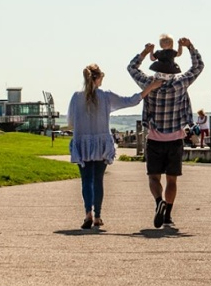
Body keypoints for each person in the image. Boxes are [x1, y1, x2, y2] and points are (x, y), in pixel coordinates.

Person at [67, 64, 161, 230]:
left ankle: (87, 213)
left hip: (83, 143)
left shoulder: (76, 97)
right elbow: (130, 101)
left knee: (86, 180)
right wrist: (150, 88)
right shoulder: (105, 96)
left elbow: (70, 122)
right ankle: (97, 217)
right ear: (98, 78)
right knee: (98, 181)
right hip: (101, 143)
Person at [129, 37, 204, 228]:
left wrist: (145, 52)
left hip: (154, 138)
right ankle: (168, 214)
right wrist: (190, 47)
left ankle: (158, 202)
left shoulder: (149, 83)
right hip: (175, 139)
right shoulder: (181, 83)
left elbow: (131, 68)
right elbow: (198, 67)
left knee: (154, 177)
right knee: (172, 180)